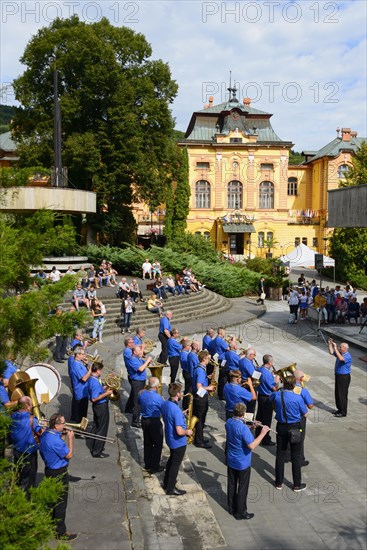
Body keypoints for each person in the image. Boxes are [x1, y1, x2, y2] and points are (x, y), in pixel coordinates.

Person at [226, 403, 270, 520]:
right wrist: (263, 433)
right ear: (243, 414)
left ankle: (231, 507)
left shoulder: (229, 422)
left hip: (231, 459)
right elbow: (252, 445)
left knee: (231, 484)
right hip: (242, 462)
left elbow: (238, 434)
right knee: (242, 488)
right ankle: (241, 512)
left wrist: (251, 427)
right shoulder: (242, 428)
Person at [39, 413, 76, 541]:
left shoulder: (47, 434)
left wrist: (63, 436)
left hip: (49, 469)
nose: (65, 425)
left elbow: (55, 448)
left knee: (52, 499)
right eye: (63, 423)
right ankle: (61, 532)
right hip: (59, 472)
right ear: (56, 425)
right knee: (61, 502)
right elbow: (69, 455)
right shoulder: (54, 439)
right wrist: (70, 438)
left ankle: (51, 523)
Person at [269, 376, 308, 492]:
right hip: (294, 427)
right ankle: (296, 484)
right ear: (294, 386)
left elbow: (271, 401)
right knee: (295, 456)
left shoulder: (277, 395)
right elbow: (305, 414)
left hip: (281, 426)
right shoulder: (297, 398)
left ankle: (278, 483)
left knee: (280, 454)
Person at [161, 382, 193, 496]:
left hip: (169, 438)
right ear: (178, 394)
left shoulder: (166, 404)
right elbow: (180, 431)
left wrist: (182, 413)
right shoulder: (176, 410)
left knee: (171, 461)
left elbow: (171, 417)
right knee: (175, 465)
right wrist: (188, 432)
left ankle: (166, 483)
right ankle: (170, 488)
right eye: (181, 392)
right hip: (178, 442)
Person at [10, 396, 43, 494]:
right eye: (31, 404)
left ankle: (16, 495)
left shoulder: (12, 416)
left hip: (17, 451)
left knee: (18, 476)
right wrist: (43, 425)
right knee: (28, 481)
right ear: (28, 406)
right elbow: (40, 432)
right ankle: (25, 501)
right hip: (29, 454)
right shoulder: (32, 419)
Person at [138, 376, 164, 473]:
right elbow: (163, 409)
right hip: (154, 422)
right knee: (157, 444)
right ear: (156, 387)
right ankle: (155, 466)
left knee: (147, 443)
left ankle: (147, 464)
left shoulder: (141, 393)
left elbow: (138, 402)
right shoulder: (158, 397)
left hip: (144, 420)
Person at [88, 363, 113, 458]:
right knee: (102, 429)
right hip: (100, 406)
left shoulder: (93, 379)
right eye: (101, 370)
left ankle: (94, 446)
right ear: (98, 370)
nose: (101, 372)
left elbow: (98, 390)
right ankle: (97, 451)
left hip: (98, 406)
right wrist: (107, 393)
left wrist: (105, 387)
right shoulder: (94, 382)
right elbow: (94, 398)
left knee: (96, 426)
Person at [192, 350, 215, 449]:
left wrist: (207, 377)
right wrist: (209, 388)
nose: (209, 360)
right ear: (204, 358)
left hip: (198, 397)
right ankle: (199, 441)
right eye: (208, 359)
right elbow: (199, 386)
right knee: (201, 419)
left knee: (200, 418)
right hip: (201, 397)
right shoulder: (201, 370)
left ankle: (199, 437)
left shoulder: (199, 368)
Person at [255, 355, 279, 446]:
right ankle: (265, 439)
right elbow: (274, 388)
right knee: (267, 419)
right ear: (269, 363)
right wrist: (276, 380)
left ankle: (257, 435)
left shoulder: (260, 369)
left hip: (260, 395)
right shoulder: (267, 374)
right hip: (267, 398)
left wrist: (271, 375)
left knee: (259, 416)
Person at [129, 346, 153, 428]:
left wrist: (148, 362)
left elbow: (144, 364)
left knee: (140, 401)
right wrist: (148, 361)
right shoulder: (132, 360)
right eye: (139, 351)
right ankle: (135, 421)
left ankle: (137, 418)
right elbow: (140, 369)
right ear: (134, 352)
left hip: (141, 381)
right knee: (137, 402)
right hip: (137, 382)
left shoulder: (138, 358)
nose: (141, 352)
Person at [294, 369, 314, 467]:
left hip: (288, 416)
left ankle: (287, 455)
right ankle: (300, 458)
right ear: (301, 378)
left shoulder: (286, 387)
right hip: (299, 416)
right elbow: (310, 405)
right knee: (300, 438)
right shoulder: (303, 390)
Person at [328, 339, 352, 417]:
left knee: (342, 394)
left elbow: (341, 359)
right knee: (337, 393)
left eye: (340, 347)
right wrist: (330, 344)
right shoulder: (340, 353)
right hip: (338, 376)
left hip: (344, 377)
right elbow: (331, 352)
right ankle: (339, 409)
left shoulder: (347, 355)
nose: (339, 348)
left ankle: (343, 412)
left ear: (345, 348)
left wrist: (335, 348)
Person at [68, 346, 91, 422]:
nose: (84, 356)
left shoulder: (80, 362)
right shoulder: (76, 365)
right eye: (82, 354)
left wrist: (87, 365)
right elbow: (84, 378)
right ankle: (79, 430)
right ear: (77, 354)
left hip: (84, 392)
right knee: (81, 414)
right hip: (80, 393)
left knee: (83, 413)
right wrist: (91, 370)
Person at [239, 348, 257, 414]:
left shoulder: (242, 360)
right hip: (248, 384)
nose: (254, 357)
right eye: (254, 355)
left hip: (243, 382)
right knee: (251, 405)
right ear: (250, 355)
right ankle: (249, 420)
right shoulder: (247, 363)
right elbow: (254, 375)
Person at [123, 336, 135, 414]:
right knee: (134, 392)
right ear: (128, 344)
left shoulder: (129, 350)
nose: (133, 343)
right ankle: (129, 408)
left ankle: (130, 407)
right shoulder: (127, 351)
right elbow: (133, 359)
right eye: (132, 342)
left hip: (132, 373)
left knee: (134, 392)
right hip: (132, 373)